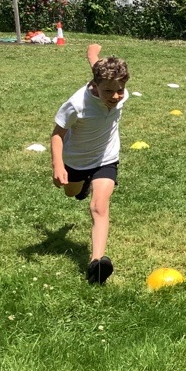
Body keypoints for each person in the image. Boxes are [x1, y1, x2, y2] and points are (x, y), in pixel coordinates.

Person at [51, 43, 130, 285]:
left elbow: (97, 65)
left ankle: (96, 264)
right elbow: (57, 133)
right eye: (108, 92)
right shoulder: (77, 104)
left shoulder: (116, 88)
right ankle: (81, 186)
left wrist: (92, 53)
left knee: (99, 207)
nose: (115, 97)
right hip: (76, 160)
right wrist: (58, 166)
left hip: (106, 157)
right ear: (95, 86)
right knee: (71, 193)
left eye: (120, 90)